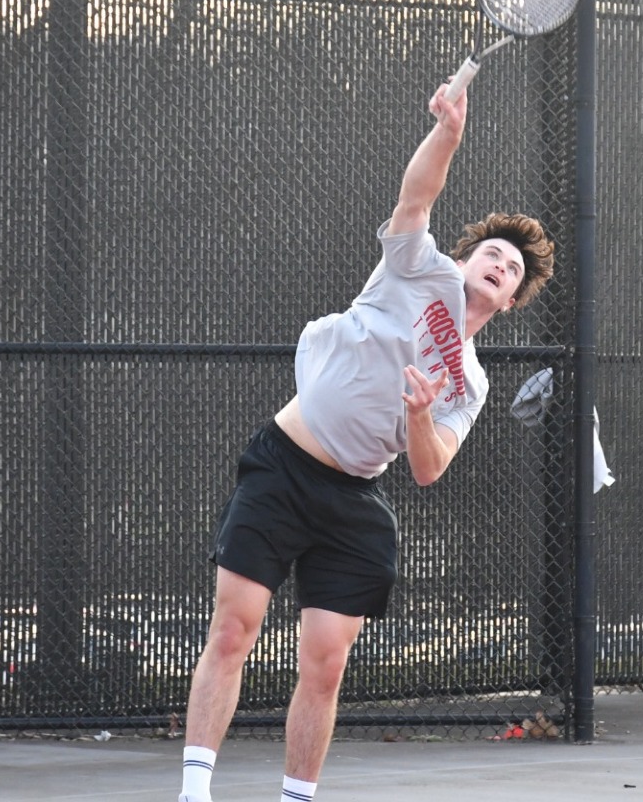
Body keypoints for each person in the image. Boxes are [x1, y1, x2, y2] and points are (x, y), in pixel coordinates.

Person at [177, 80, 555, 802]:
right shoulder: (418, 268)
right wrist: (448, 133)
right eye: (493, 253)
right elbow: (418, 195)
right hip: (282, 468)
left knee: (324, 664)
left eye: (512, 270)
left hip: (352, 499)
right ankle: (195, 793)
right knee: (233, 630)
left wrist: (419, 416)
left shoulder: (471, 383)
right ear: (465, 260)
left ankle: (296, 798)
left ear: (509, 300)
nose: (500, 265)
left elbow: (430, 468)